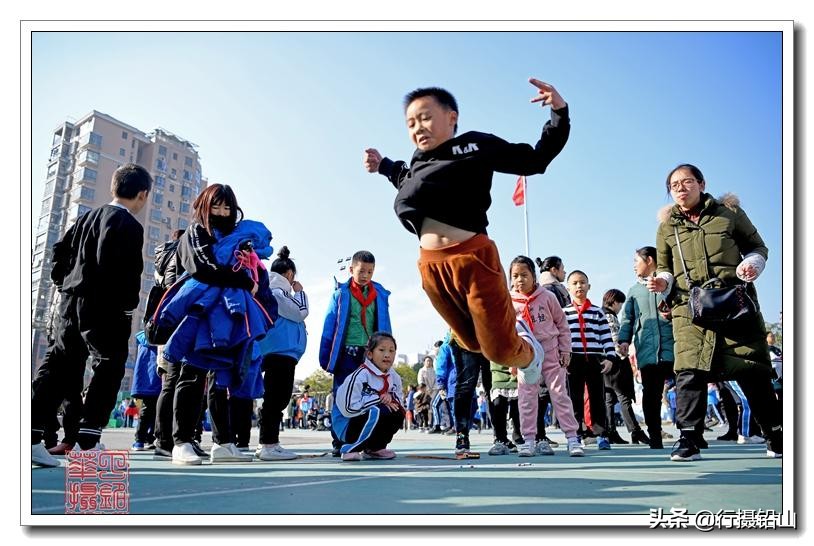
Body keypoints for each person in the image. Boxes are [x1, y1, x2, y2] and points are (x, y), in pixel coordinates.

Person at [363, 79, 570, 456]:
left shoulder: (474, 146)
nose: (418, 127)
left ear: (451, 117)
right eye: (411, 123)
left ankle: (530, 354)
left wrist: (558, 114)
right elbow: (403, 178)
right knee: (469, 342)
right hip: (431, 268)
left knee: (497, 349)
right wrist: (382, 166)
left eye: (426, 117)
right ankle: (506, 344)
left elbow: (534, 160)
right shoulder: (417, 164)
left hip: (474, 257)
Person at [651, 163, 782, 461]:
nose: (681, 189)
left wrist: (752, 264)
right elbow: (665, 267)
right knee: (688, 372)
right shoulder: (666, 227)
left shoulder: (729, 213)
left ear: (701, 183)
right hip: (689, 308)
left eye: (687, 182)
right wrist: (662, 282)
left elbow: (758, 247)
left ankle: (775, 435)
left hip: (735, 303)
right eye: (674, 186)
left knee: (751, 368)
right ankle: (689, 439)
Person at [31, 163, 151, 467]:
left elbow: (59, 253)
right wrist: (127, 308)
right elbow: (129, 273)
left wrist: (64, 284)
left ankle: (30, 436)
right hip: (105, 306)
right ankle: (88, 441)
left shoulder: (86, 218)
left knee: (57, 367)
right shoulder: (129, 224)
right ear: (142, 194)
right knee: (108, 367)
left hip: (69, 303)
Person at [156, 183, 272, 465]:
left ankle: (224, 442)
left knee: (221, 379)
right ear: (204, 207)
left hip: (228, 315)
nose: (221, 212)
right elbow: (202, 268)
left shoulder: (237, 237)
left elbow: (250, 272)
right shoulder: (195, 232)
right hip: (199, 313)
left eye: (226, 207)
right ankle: (181, 441)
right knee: (191, 373)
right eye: (216, 206)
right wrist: (241, 280)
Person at [508, 256, 584, 457]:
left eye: (524, 275)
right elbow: (508, 334)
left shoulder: (548, 297)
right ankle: (528, 440)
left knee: (559, 394)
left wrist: (565, 350)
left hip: (551, 351)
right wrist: (512, 361)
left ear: (534, 276)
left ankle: (572, 438)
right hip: (526, 356)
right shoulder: (508, 302)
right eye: (515, 276)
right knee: (526, 397)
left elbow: (562, 325)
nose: (520, 280)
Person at [319, 250, 392, 456]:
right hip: (347, 353)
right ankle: (339, 440)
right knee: (342, 396)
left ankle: (370, 442)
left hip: (370, 354)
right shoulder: (341, 295)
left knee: (372, 395)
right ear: (351, 270)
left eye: (370, 271)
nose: (365, 275)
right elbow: (329, 325)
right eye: (361, 271)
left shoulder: (380, 295)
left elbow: (385, 325)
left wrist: (387, 353)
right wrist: (325, 354)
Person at [617, 246, 676, 449]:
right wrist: (624, 340)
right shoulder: (634, 291)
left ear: (649, 260)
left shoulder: (672, 284)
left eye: (636, 261)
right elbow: (627, 319)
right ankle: (655, 436)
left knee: (686, 390)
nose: (634, 266)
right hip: (647, 351)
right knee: (651, 395)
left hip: (674, 348)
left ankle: (692, 433)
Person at [255, 245, 309, 460]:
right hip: (280, 352)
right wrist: (300, 292)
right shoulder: (277, 293)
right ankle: (267, 444)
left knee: (276, 398)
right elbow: (300, 312)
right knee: (276, 399)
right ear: (289, 274)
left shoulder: (274, 291)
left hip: (280, 352)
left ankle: (270, 442)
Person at [563, 270, 617, 450]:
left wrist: (610, 357)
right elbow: (561, 337)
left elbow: (606, 337)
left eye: (582, 282)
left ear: (589, 286)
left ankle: (601, 434)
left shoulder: (597, 312)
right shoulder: (564, 313)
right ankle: (575, 435)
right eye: (575, 283)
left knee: (597, 397)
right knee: (574, 398)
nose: (579, 286)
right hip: (573, 359)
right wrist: (562, 357)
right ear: (568, 288)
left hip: (594, 359)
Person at [333, 332, 405, 461]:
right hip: (347, 424)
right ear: (370, 354)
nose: (387, 355)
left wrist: (390, 398)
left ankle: (375, 448)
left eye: (391, 350)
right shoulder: (360, 376)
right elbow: (348, 408)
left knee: (397, 411)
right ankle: (349, 448)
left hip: (369, 419)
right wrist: (378, 399)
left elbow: (398, 399)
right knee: (376, 410)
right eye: (381, 350)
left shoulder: (394, 377)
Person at [601, 288, 648, 446]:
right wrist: (623, 353)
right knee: (624, 397)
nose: (620, 308)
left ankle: (611, 431)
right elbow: (614, 339)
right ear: (614, 302)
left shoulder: (599, 313)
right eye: (620, 304)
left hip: (603, 361)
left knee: (609, 399)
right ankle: (635, 431)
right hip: (615, 361)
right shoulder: (610, 316)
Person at [130, 330, 161, 450]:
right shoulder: (162, 339)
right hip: (158, 380)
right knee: (156, 410)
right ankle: (144, 439)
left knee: (149, 409)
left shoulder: (144, 340)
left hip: (148, 382)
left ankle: (142, 440)